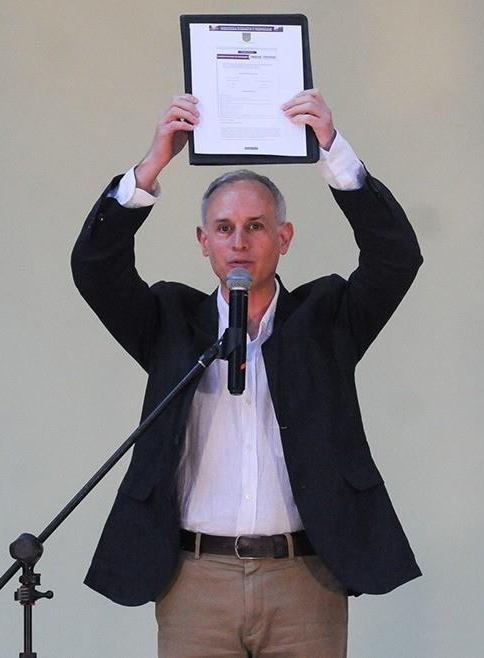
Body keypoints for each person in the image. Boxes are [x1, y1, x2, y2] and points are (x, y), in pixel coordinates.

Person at [72, 89, 422, 657]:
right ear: (203, 241)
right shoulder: (170, 322)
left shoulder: (326, 318)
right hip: (195, 577)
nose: (240, 242)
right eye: (225, 227)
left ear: (283, 239)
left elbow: (395, 258)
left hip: (304, 578)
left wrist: (332, 150)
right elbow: (94, 267)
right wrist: (152, 165)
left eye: (257, 227)